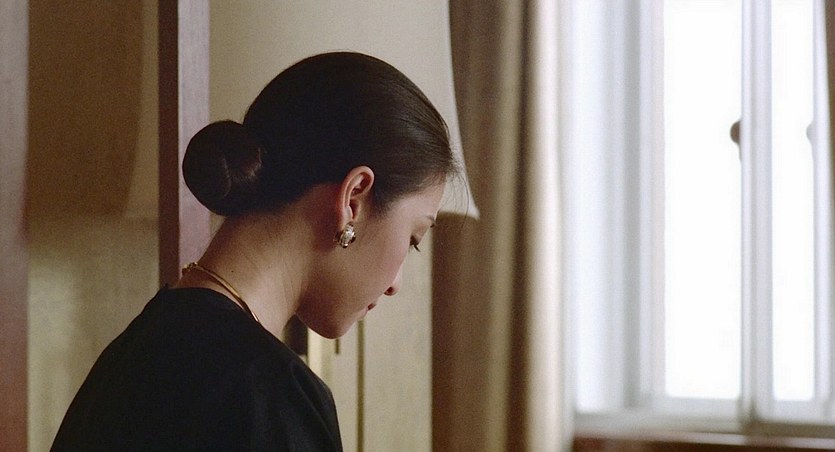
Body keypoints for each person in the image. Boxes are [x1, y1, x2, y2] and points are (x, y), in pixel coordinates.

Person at [51, 51, 458, 451]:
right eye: (413, 238)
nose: (395, 285)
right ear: (354, 199)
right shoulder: (270, 399)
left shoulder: (131, 353)